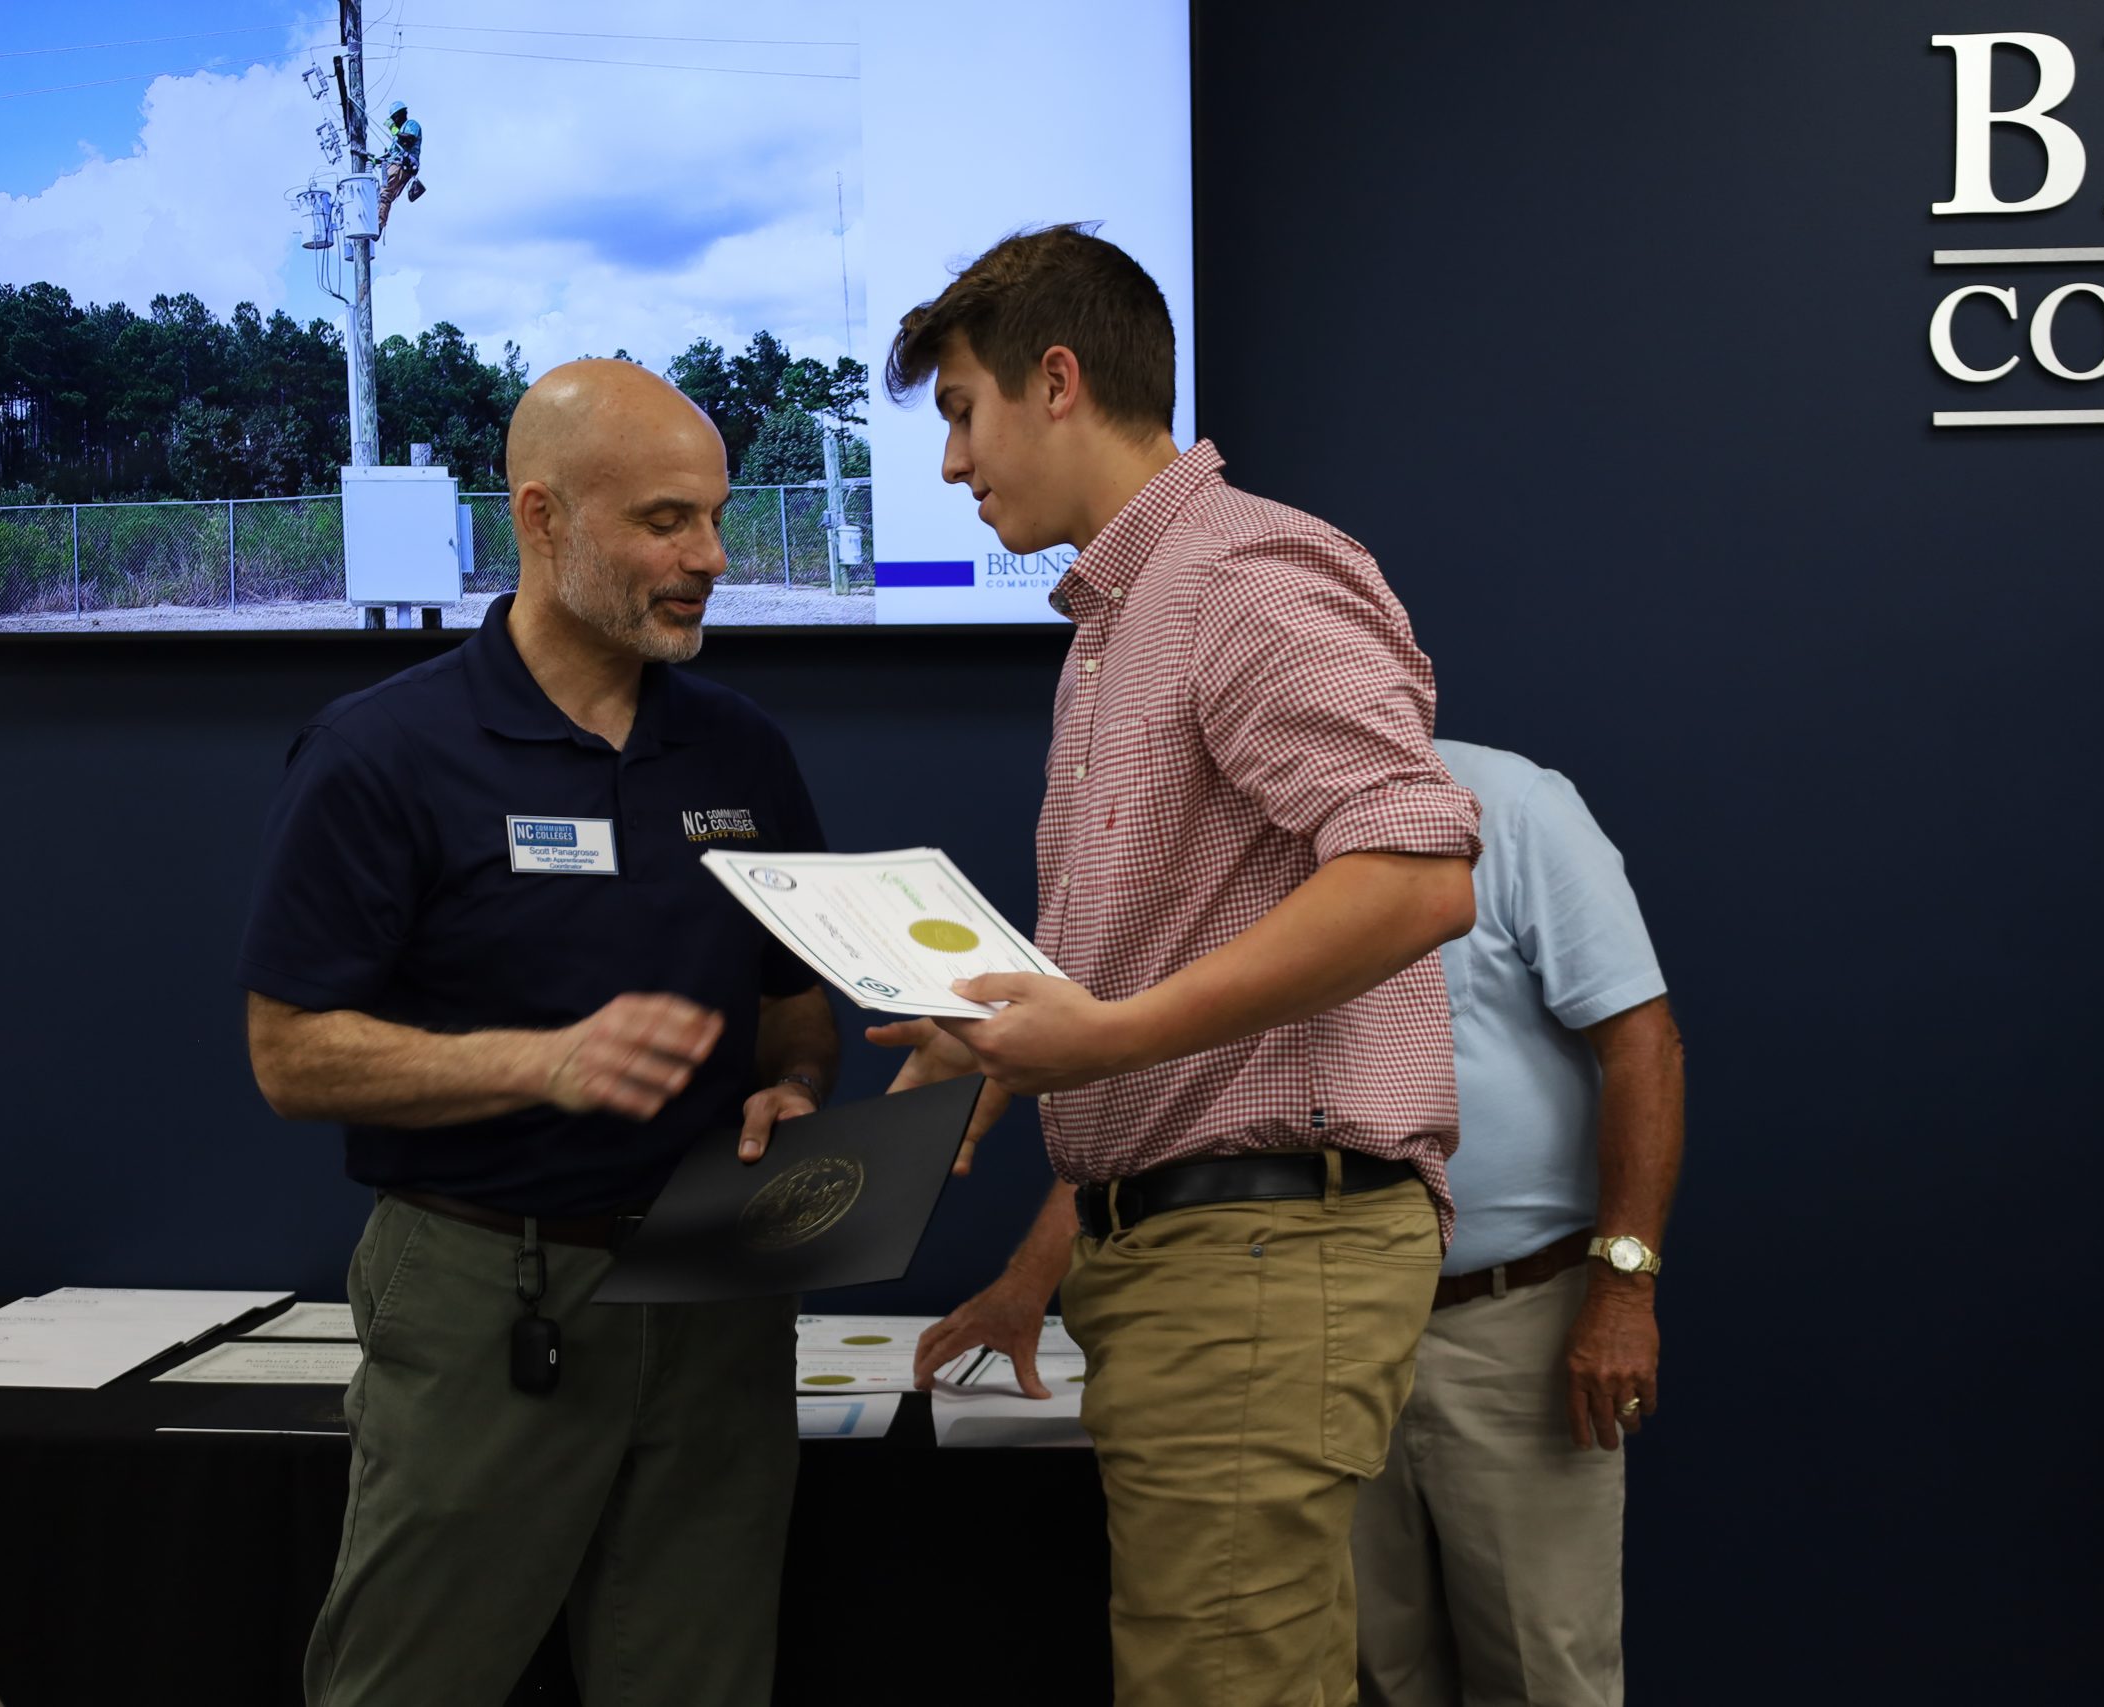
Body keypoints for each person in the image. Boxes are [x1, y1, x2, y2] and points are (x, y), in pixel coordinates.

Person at [875, 224, 1482, 1707]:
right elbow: (1158, 965)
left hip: (1261, 1255)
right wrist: (1002, 1037)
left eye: (962, 411)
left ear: (1059, 380)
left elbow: (1416, 872)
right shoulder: (1119, 620)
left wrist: (1107, 1033)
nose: (953, 464)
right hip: (1201, 1255)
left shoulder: (1239, 573)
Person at [239, 359, 837, 1707]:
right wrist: (541, 1060)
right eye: (666, 521)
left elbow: (798, 1011)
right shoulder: (382, 751)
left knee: (699, 1673)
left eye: (717, 520)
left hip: (715, 1288)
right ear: (542, 516)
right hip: (485, 1287)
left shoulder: (742, 754)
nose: (710, 558)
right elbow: (291, 1053)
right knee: (412, 1676)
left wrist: (793, 1086)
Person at [1349, 740, 1684, 1707]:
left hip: (1513, 1326)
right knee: (1369, 1666)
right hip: (1321, 1318)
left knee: (1547, 1672)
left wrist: (1623, 1289)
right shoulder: (1235, 833)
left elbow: (1645, 1044)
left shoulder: (1513, 806)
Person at [376, 103, 423, 234]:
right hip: (393, 165)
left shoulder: (411, 125)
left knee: (385, 192)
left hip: (402, 165)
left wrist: (394, 130)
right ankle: (377, 221)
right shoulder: (398, 135)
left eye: (394, 118)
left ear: (400, 115)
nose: (393, 122)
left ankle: (379, 224)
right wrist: (374, 160)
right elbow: (390, 154)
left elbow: (408, 141)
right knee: (382, 195)